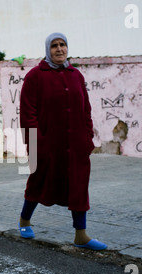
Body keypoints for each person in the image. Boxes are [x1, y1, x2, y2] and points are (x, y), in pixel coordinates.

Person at [18, 32, 107, 251]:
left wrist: (87, 139)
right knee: (38, 181)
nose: (59, 49)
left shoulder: (76, 75)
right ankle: (24, 221)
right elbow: (28, 114)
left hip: (76, 144)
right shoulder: (35, 76)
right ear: (47, 49)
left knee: (78, 185)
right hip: (47, 144)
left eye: (63, 45)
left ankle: (81, 235)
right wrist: (38, 144)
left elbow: (86, 110)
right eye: (55, 46)